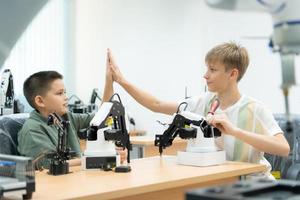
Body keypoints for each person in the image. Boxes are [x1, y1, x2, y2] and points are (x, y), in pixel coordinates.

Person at [106, 43, 290, 179]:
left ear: (233, 74)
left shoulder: (254, 109)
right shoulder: (202, 103)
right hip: (219, 185)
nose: (205, 75)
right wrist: (121, 80)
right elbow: (156, 104)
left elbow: (283, 148)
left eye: (212, 69)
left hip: (254, 188)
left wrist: (235, 131)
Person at [18, 52, 127, 169]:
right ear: (40, 101)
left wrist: (109, 80)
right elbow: (50, 166)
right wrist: (105, 158)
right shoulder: (32, 130)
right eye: (59, 93)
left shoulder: (66, 117)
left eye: (65, 92)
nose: (66, 97)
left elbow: (102, 116)